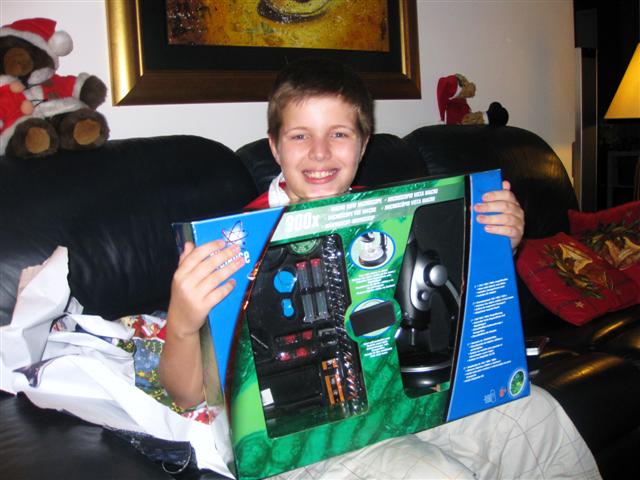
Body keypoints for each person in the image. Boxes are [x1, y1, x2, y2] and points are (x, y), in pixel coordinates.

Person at [160, 58, 600, 479]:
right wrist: (182, 320)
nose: (319, 153)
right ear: (274, 147)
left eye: (338, 134)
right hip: (308, 440)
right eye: (299, 136)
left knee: (537, 413)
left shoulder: (391, 214)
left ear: (364, 144)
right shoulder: (235, 244)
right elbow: (188, 394)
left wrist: (500, 242)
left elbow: (452, 305)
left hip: (404, 404)